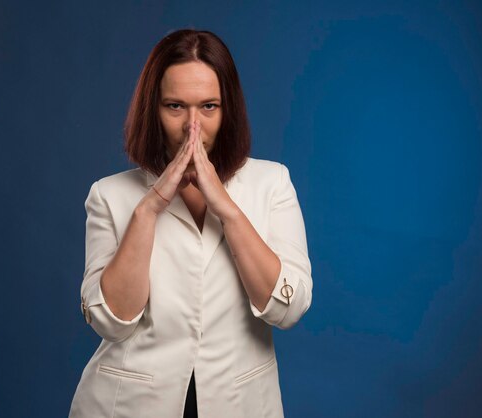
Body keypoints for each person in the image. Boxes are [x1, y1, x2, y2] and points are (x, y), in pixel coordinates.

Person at [68, 28, 313, 418]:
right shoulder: (109, 195)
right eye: (175, 106)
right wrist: (148, 211)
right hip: (127, 406)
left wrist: (228, 210)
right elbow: (111, 323)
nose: (191, 127)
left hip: (241, 405)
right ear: (154, 109)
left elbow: (289, 309)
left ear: (228, 108)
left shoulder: (272, 183)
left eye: (209, 107)